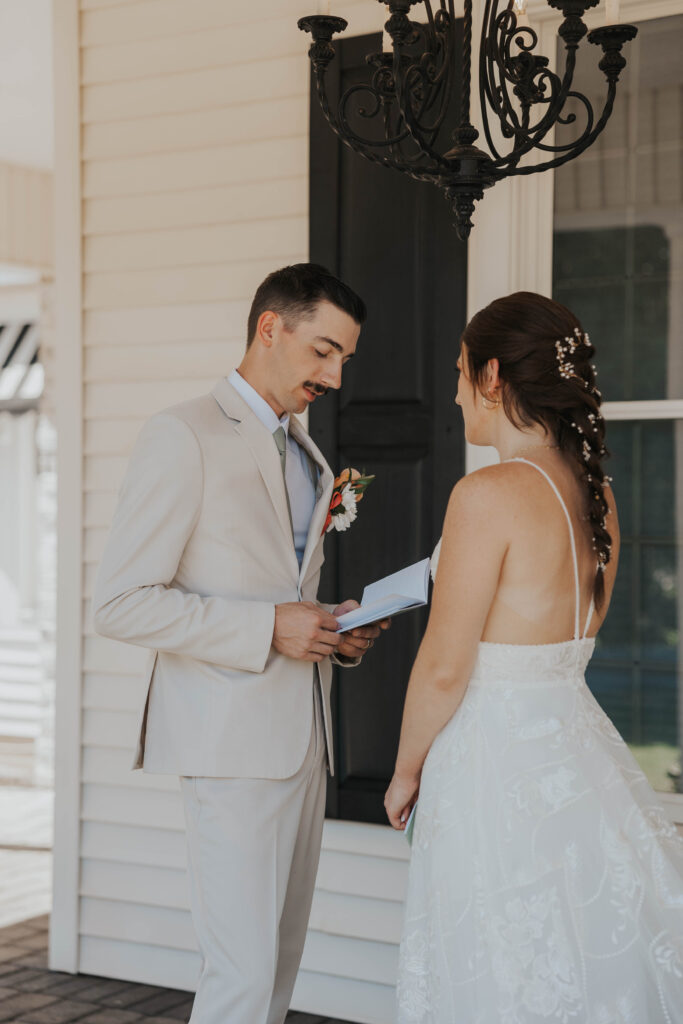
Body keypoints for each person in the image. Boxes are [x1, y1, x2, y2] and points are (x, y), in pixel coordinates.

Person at [93, 263, 390, 1024]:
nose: (333, 373)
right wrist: (268, 630)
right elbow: (122, 604)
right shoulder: (181, 433)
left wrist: (328, 626)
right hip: (227, 747)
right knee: (243, 972)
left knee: (278, 964)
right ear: (270, 328)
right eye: (323, 351)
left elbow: (278, 594)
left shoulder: (311, 455)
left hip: (302, 740)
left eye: (344, 360)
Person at [386, 292, 683, 1022]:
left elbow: (444, 666)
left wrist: (402, 773)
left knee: (498, 955)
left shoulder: (486, 493)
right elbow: (579, 632)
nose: (455, 392)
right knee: (577, 954)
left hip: (493, 763)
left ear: (491, 376)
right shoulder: (597, 495)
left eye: (459, 372)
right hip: (575, 751)